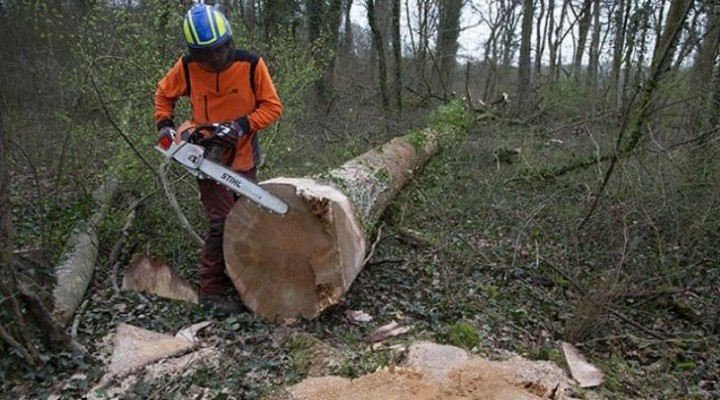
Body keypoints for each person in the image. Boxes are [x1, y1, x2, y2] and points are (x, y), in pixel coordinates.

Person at [154, 3, 282, 313]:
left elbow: (272, 107)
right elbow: (163, 94)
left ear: (229, 41)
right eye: (206, 53)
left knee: (249, 221)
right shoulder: (187, 67)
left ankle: (244, 281)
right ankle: (212, 290)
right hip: (206, 156)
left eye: (220, 49)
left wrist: (241, 125)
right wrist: (165, 125)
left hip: (243, 154)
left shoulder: (251, 65)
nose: (215, 58)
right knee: (222, 222)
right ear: (194, 52)